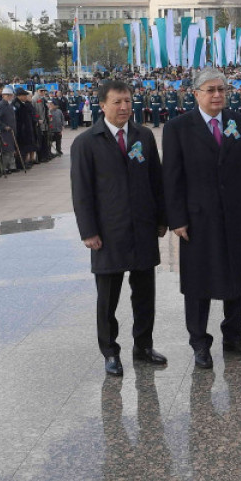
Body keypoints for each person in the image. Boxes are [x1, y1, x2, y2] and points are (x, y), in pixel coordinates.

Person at [162, 68, 241, 368]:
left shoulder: (240, 122)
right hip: (198, 219)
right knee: (198, 283)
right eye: (210, 90)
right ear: (196, 94)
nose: (218, 95)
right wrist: (177, 218)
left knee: (237, 276)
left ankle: (234, 336)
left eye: (222, 89)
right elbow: (172, 178)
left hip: (235, 215)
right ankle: (199, 343)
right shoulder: (178, 128)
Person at [71, 80, 168, 377]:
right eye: (117, 102)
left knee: (144, 295)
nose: (124, 106)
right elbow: (82, 191)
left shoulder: (143, 136)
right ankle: (110, 352)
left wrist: (161, 219)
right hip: (108, 233)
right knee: (107, 299)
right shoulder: (86, 142)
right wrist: (88, 231)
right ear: (102, 105)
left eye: (127, 100)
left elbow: (156, 180)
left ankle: (143, 345)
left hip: (142, 230)